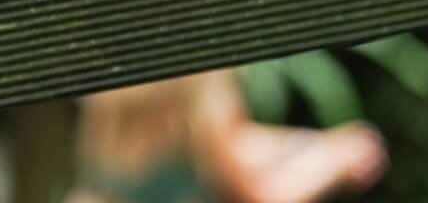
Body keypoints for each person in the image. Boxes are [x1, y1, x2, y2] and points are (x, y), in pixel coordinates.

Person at [73, 72, 389, 203]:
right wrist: (335, 166)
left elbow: (231, 142)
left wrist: (311, 145)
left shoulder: (121, 73)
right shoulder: (198, 81)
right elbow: (255, 195)